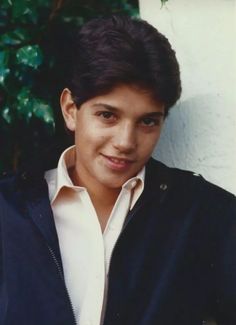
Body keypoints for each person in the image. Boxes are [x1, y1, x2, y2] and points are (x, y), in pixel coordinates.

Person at [0, 15, 235, 325]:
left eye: (148, 121)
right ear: (71, 110)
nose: (126, 142)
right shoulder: (8, 211)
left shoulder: (205, 214)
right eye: (108, 116)